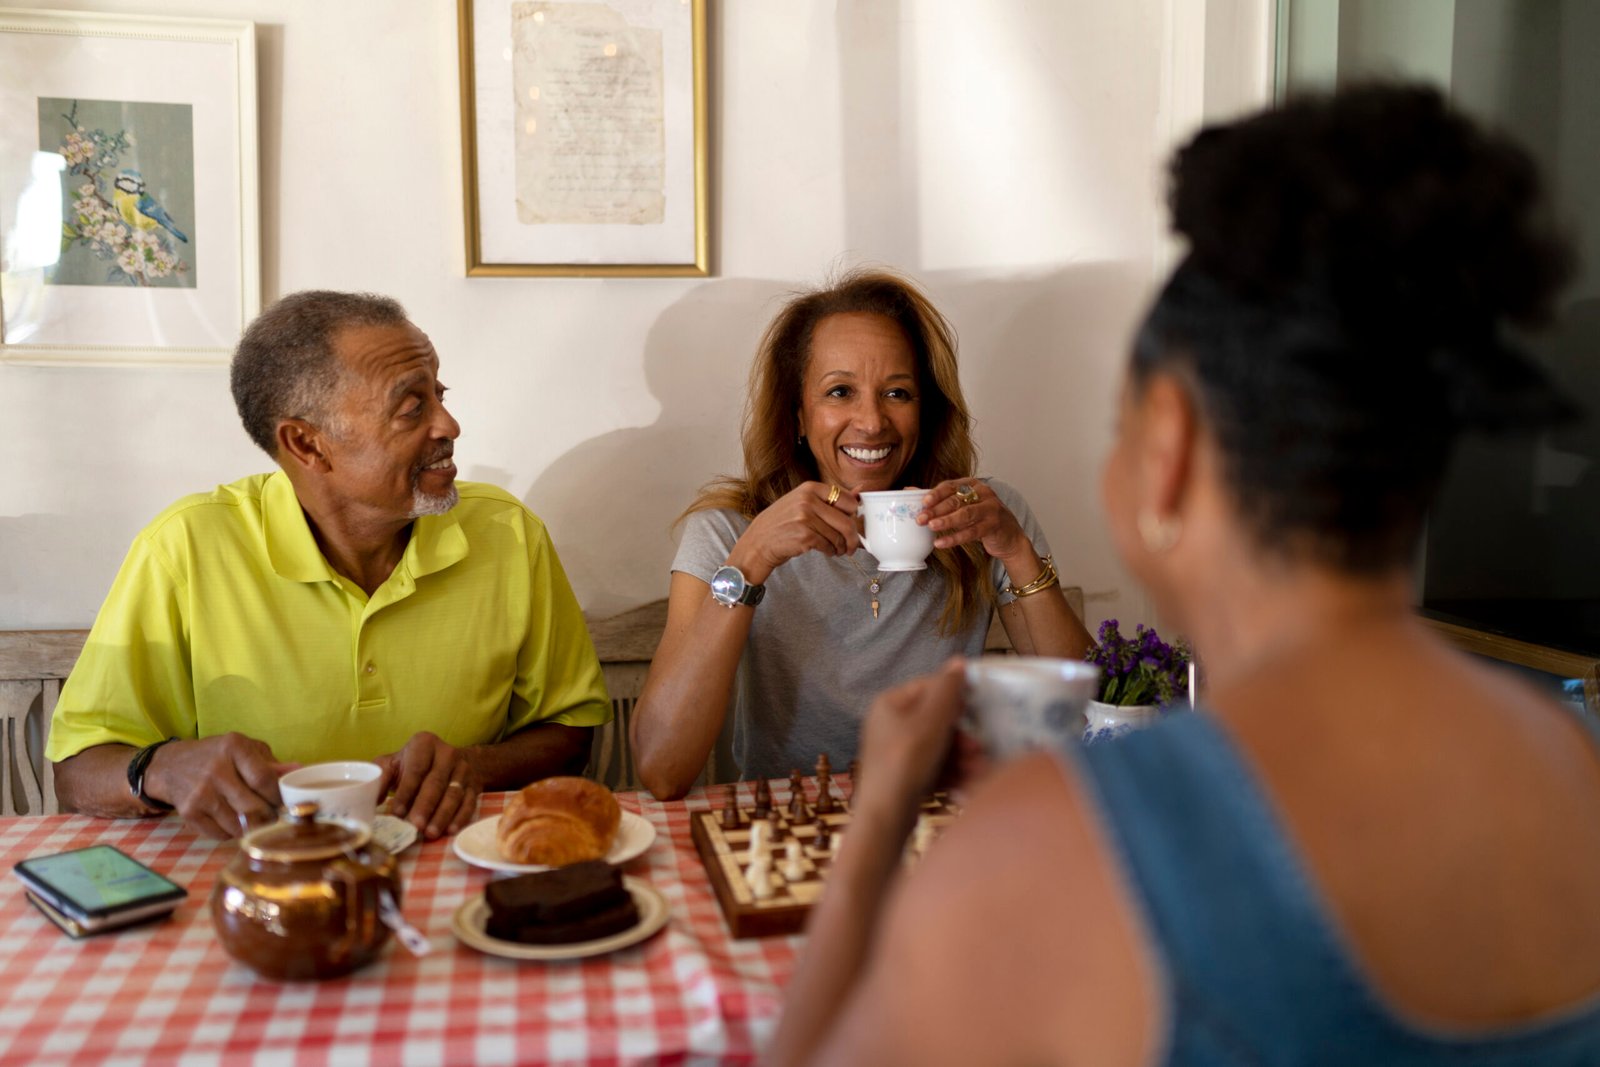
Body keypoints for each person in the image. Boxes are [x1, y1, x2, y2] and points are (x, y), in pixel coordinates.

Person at [771, 85, 1600, 1065]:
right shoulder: (1567, 753)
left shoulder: (1071, 838)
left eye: (1118, 427)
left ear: (1166, 448)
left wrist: (875, 825)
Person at [48, 291, 610, 841]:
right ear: (307, 446)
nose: (449, 426)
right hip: (256, 875)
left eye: (439, 395)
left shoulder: (508, 535)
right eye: (413, 408)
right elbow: (77, 772)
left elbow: (570, 728)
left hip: (453, 860)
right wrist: (164, 769)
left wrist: (474, 766)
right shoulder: (185, 548)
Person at [631, 269, 1094, 798]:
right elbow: (662, 769)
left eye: (898, 392)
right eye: (840, 391)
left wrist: (1016, 551)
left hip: (937, 823)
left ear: (926, 410)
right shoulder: (727, 531)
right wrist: (751, 560)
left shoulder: (983, 517)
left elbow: (1085, 722)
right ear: (798, 415)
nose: (872, 422)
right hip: (784, 831)